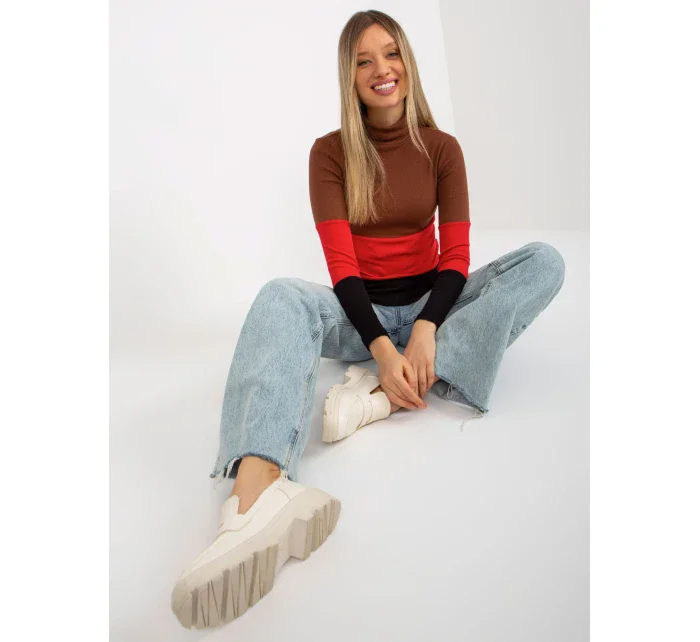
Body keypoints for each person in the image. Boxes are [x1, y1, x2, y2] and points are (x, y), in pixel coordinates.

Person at [171, 10, 565, 630]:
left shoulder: (442, 149)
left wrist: (428, 326)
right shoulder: (329, 154)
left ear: (408, 62)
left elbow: (457, 258)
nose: (382, 69)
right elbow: (342, 270)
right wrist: (382, 345)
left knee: (544, 262)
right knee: (280, 296)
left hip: (434, 308)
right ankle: (256, 496)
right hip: (363, 317)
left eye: (392, 53)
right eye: (364, 60)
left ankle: (381, 395)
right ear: (349, 76)